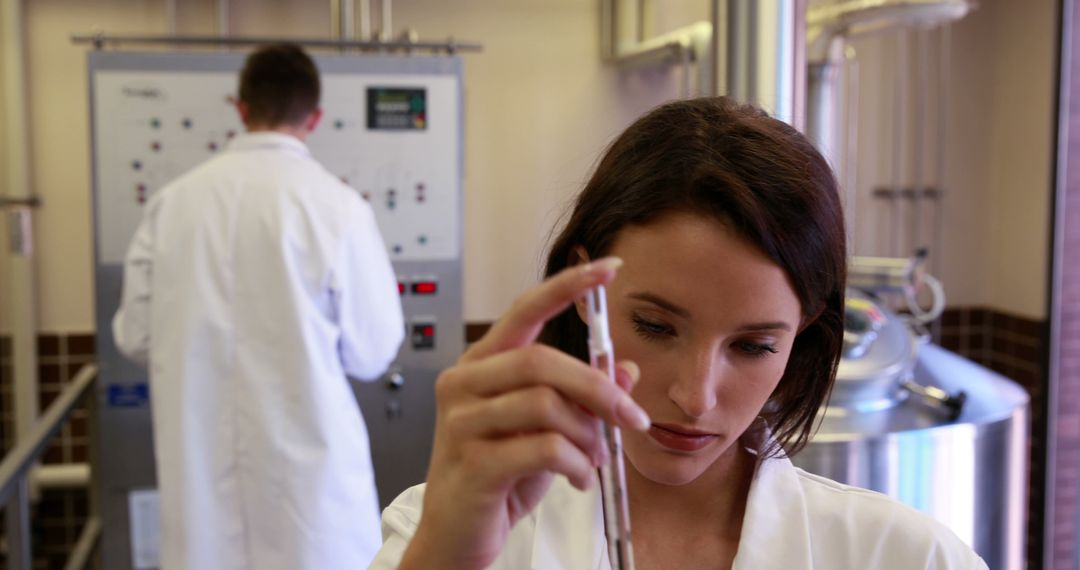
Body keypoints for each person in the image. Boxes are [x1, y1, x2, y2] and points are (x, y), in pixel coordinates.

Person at [369, 97, 987, 569]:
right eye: (654, 325)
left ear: (803, 331)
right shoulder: (438, 532)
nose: (695, 398)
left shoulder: (904, 556)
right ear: (585, 293)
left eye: (753, 346)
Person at [112, 43, 404, 570]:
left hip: (202, 499)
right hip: (314, 510)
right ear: (314, 117)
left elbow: (135, 335)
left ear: (240, 107)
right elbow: (373, 351)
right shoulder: (339, 208)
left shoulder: (171, 206)